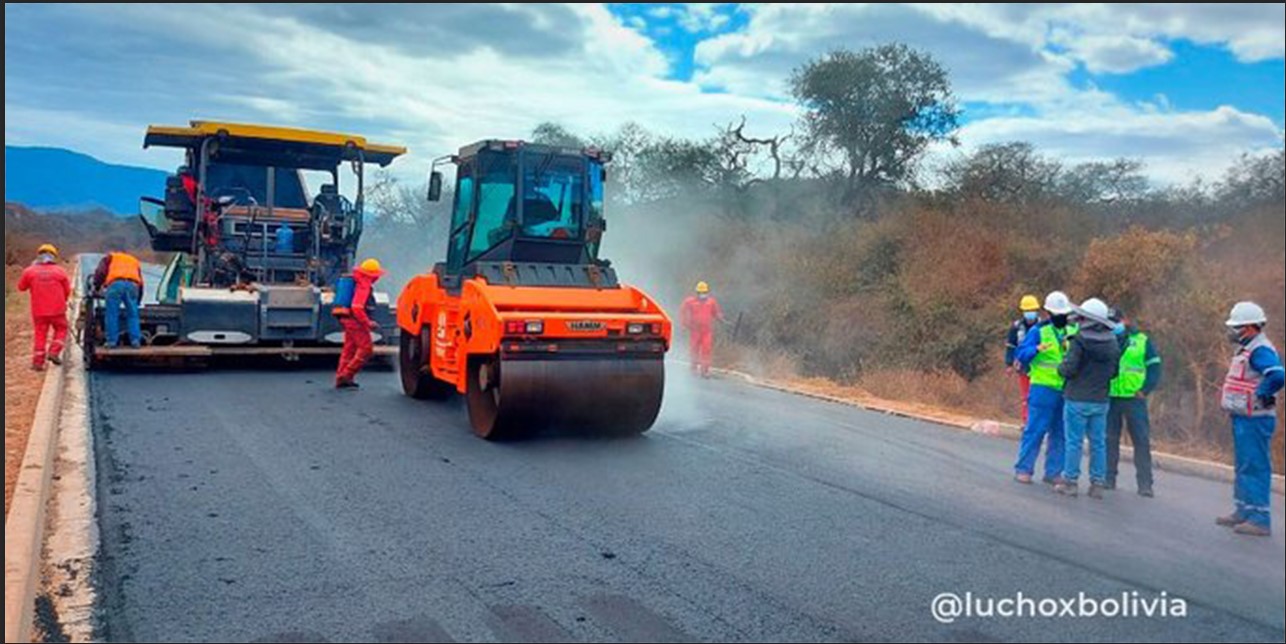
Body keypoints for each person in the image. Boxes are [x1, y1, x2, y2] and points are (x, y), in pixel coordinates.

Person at [1215, 302, 1283, 538]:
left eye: (1238, 327)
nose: (1233, 332)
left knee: (1255, 465)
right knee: (1244, 465)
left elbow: (1277, 375)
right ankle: (1243, 510)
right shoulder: (1247, 349)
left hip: (1256, 419)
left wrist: (1262, 395)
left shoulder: (1260, 350)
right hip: (1244, 417)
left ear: (1252, 327)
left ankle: (1259, 518)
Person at [1055, 298, 1121, 500]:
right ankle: (1097, 484)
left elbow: (1068, 369)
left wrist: (1061, 368)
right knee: (1098, 443)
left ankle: (1071, 482)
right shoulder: (1112, 342)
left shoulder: (1080, 341)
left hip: (1077, 397)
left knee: (1074, 441)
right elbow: (1114, 373)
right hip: (1100, 400)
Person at [1013, 291, 1076, 486]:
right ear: (1048, 313)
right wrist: (1035, 350)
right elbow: (1021, 353)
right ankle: (1024, 469)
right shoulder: (1038, 331)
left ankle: (1054, 472)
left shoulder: (1072, 332)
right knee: (1035, 429)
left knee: (1060, 432)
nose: (1061, 318)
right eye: (1058, 314)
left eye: (1063, 314)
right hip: (1042, 388)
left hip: (1065, 390)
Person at [1106, 309, 1162, 497]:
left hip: (1134, 398)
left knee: (1141, 441)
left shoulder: (1142, 341)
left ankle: (1145, 484)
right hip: (1112, 396)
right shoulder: (1107, 338)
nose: (1114, 325)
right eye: (1110, 322)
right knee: (1109, 439)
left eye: (1116, 321)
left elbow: (1154, 367)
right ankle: (1108, 478)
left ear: (1125, 320)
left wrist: (1145, 390)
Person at [17, 244, 72, 370]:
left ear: (38, 255)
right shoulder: (60, 271)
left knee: (40, 335)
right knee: (61, 329)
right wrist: (63, 300)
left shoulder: (29, 271)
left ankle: (37, 363)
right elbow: (67, 291)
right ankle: (54, 352)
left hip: (39, 311)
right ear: (54, 256)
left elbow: (21, 287)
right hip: (58, 310)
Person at [334, 259, 385, 390]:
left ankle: (341, 377)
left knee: (349, 349)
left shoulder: (355, 280)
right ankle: (347, 374)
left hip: (346, 317)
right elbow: (357, 307)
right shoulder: (364, 285)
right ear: (373, 275)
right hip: (355, 320)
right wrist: (368, 323)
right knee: (366, 349)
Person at [93, 251, 144, 349]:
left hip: (116, 285)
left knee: (112, 314)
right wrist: (138, 299)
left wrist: (97, 286)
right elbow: (141, 281)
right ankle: (135, 341)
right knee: (133, 314)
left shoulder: (110, 257)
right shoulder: (134, 260)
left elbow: (101, 272)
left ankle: (112, 341)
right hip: (133, 285)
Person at [1006, 295, 1043, 422]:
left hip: (1040, 366)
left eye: (1032, 310)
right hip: (1023, 366)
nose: (1030, 314)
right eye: (1027, 311)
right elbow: (1011, 346)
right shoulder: (1016, 327)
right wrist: (1009, 364)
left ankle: (1037, 421)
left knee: (1038, 396)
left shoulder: (1043, 327)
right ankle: (1026, 420)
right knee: (1026, 396)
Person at [680, 281, 727, 378]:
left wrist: (721, 318)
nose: (703, 295)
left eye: (704, 292)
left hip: (707, 331)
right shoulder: (690, 301)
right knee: (694, 349)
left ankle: (705, 371)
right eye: (701, 293)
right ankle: (693, 367)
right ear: (697, 293)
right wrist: (685, 323)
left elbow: (716, 312)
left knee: (706, 350)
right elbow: (683, 311)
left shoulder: (711, 302)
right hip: (695, 330)